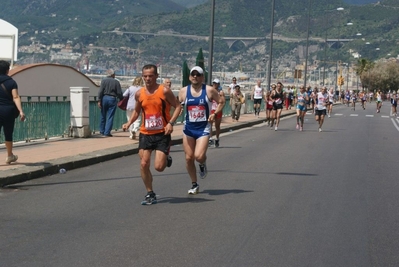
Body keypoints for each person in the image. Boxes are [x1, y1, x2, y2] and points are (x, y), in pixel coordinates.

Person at [122, 64, 181, 205]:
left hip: (162, 133)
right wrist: (129, 123)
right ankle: (150, 193)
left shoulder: (164, 91)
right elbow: (137, 111)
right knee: (143, 163)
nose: (147, 79)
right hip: (145, 133)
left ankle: (166, 157)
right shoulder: (139, 93)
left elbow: (178, 106)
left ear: (156, 76)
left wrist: (170, 123)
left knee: (159, 167)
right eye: (145, 76)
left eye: (150, 76)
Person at [178, 66, 224, 195]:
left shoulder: (209, 90)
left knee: (198, 156)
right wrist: (179, 109)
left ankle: (202, 163)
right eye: (193, 74)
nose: (195, 77)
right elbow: (178, 104)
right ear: (189, 77)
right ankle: (194, 184)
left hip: (203, 128)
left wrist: (214, 113)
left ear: (202, 77)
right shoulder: (183, 91)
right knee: (188, 158)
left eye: (198, 75)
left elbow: (221, 102)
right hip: (188, 128)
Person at [0, 60, 26, 164]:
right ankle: (9, 155)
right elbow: (15, 97)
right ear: (7, 70)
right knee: (8, 133)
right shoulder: (11, 82)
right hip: (8, 111)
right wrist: (21, 111)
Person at [97, 69, 123, 137]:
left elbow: (100, 91)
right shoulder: (116, 82)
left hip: (104, 98)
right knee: (110, 116)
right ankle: (107, 132)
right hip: (112, 99)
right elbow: (119, 93)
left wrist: (99, 100)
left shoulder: (103, 81)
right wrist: (121, 99)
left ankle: (102, 131)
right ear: (113, 74)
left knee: (103, 115)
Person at [209, 78, 225, 148]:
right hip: (211, 109)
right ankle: (210, 138)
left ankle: (217, 138)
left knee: (217, 126)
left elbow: (223, 102)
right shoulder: (210, 91)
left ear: (218, 84)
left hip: (218, 110)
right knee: (209, 125)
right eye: (214, 83)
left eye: (216, 83)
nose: (215, 85)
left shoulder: (220, 92)